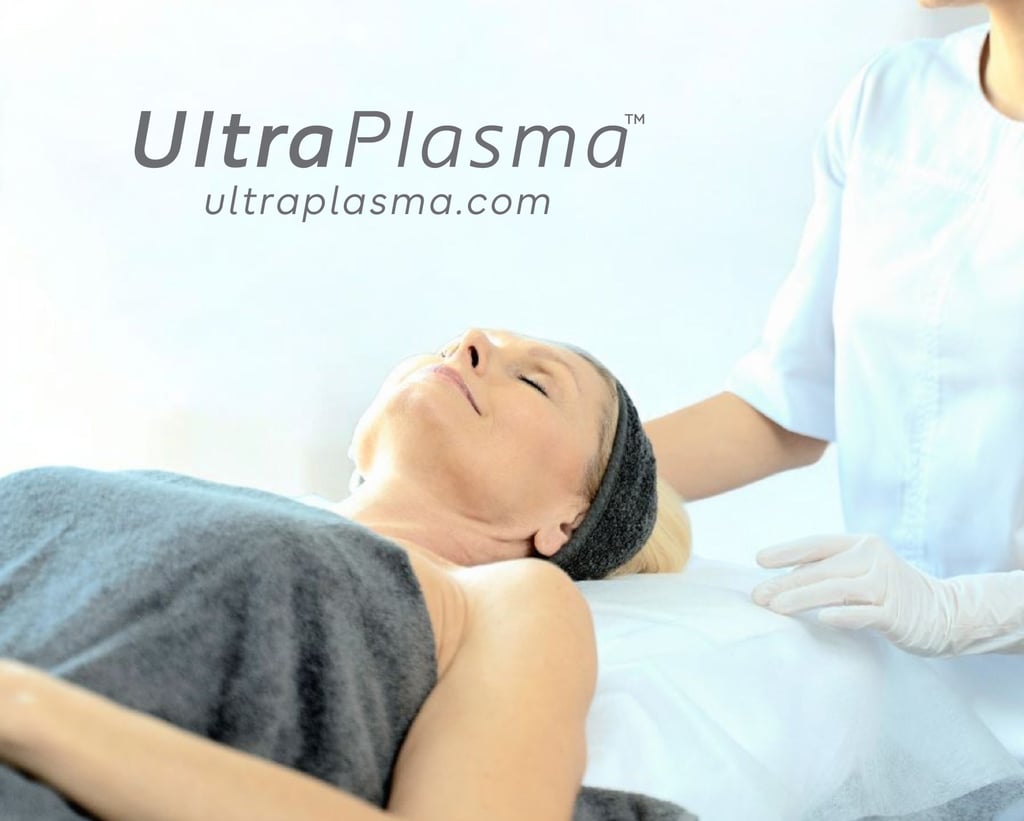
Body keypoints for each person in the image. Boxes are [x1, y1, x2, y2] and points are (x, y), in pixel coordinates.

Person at [0, 328, 693, 821]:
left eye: (536, 380)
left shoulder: (508, 599)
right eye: (448, 346)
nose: (469, 343)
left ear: (569, 521)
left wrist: (27, 709)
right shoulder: (175, 489)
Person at [647, 1, 1024, 660]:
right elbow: (789, 408)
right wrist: (559, 483)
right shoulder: (894, 97)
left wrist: (960, 613)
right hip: (889, 677)